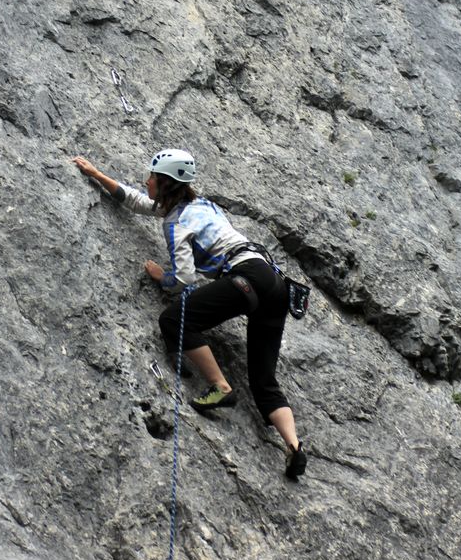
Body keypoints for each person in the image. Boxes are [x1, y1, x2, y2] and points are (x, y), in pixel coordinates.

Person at [72, 148, 307, 479]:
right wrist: (97, 175)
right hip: (274, 283)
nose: (146, 181)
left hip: (245, 279)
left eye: (152, 177)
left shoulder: (176, 223)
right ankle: (295, 447)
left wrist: (161, 278)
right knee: (263, 380)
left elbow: (183, 279)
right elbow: (139, 202)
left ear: (165, 184)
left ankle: (219, 386)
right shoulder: (199, 205)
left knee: (174, 318)